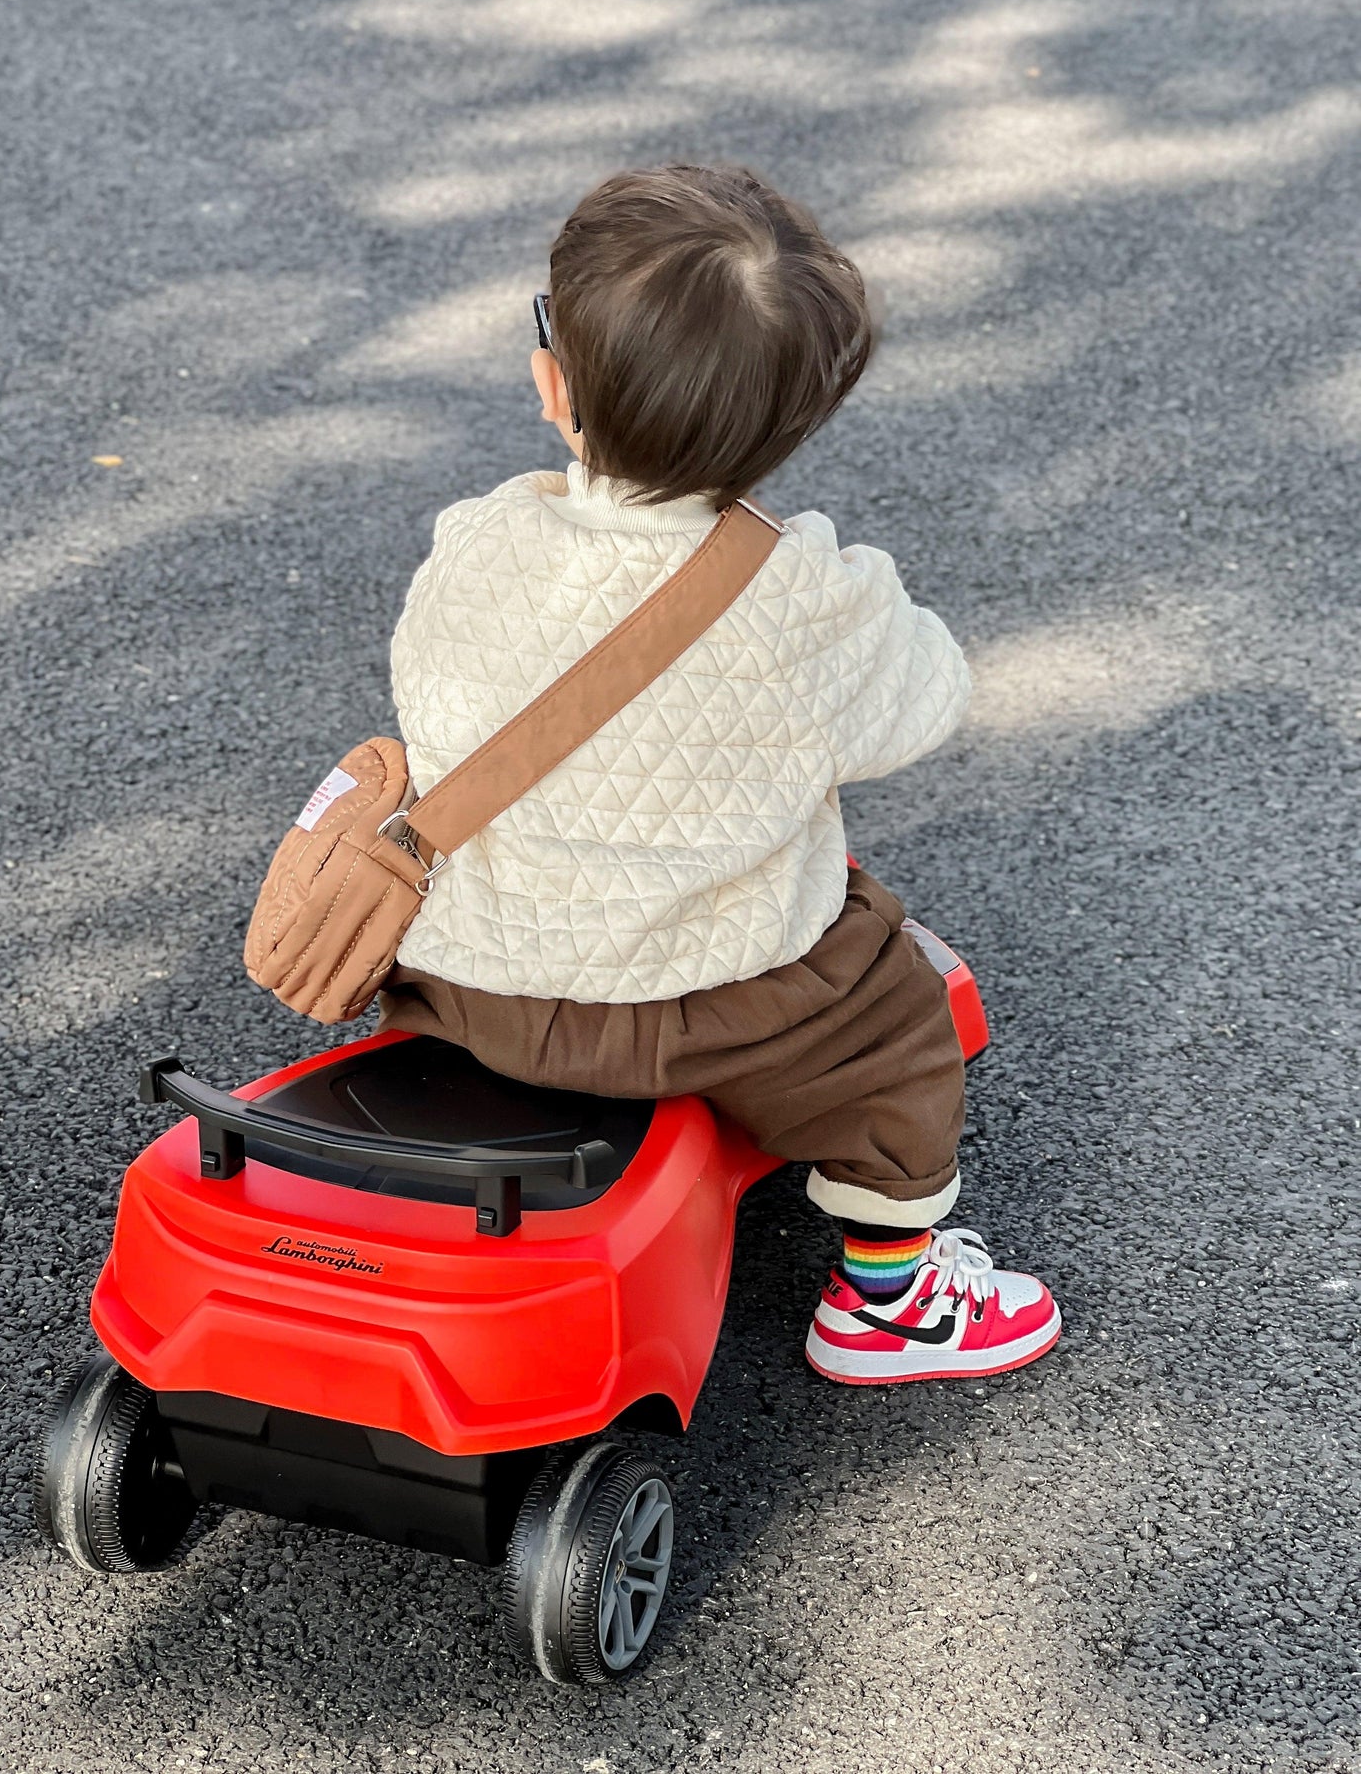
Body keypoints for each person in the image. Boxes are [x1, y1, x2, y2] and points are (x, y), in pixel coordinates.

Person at [379, 163, 1060, 1384]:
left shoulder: (474, 538)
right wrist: (850, 584)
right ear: (787, 434)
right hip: (716, 1003)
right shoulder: (797, 591)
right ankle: (889, 1301)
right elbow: (928, 696)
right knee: (894, 1024)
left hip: (468, 985)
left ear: (551, 384)